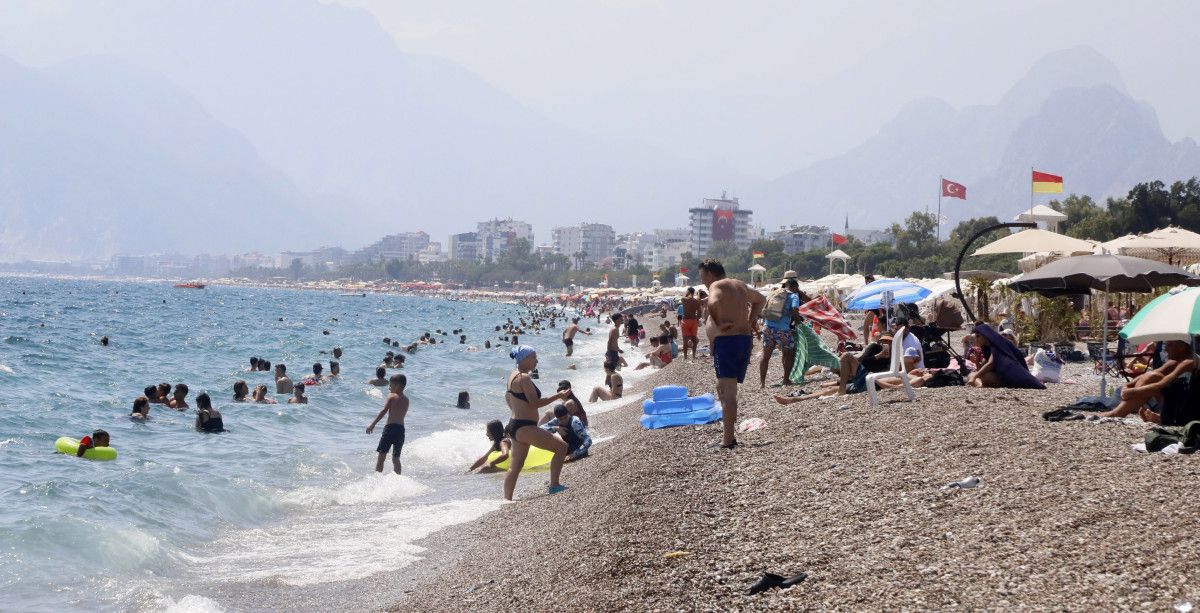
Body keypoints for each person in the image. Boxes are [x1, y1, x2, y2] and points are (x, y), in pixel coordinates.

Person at [700, 259, 765, 449]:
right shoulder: (740, 285)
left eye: (703, 277)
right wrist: (751, 319)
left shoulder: (716, 285)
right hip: (743, 340)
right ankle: (729, 436)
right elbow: (761, 299)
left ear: (710, 274)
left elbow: (712, 302)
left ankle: (728, 440)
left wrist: (719, 323)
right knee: (727, 391)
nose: (703, 281)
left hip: (728, 342)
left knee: (727, 392)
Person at [503, 346, 570, 500]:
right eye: (534, 357)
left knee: (515, 467)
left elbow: (508, 397)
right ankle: (554, 485)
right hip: (525, 426)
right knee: (561, 447)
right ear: (525, 358)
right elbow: (535, 403)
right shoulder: (524, 378)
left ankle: (506, 500)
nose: (537, 360)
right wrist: (558, 395)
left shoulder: (513, 375)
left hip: (515, 425)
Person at [1100, 339, 1195, 419]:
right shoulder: (1174, 362)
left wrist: (1131, 392)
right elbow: (1150, 374)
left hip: (1188, 406)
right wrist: (1127, 386)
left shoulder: (1189, 362)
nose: (1165, 349)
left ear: (1181, 348)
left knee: (1154, 378)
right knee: (1153, 376)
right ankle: (1160, 415)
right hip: (1174, 402)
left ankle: (1118, 413)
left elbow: (1160, 385)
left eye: (1170, 345)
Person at [966, 323, 1044, 389]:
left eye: (978, 336)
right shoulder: (987, 348)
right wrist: (976, 362)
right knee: (971, 374)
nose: (976, 339)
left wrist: (975, 377)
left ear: (985, 336)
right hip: (999, 375)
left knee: (986, 376)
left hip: (1011, 376)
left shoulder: (998, 344)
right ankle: (981, 385)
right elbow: (982, 369)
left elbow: (990, 364)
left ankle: (982, 385)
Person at [759, 276, 802, 388]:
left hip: (767, 327)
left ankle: (762, 383)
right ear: (794, 287)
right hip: (782, 330)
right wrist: (798, 323)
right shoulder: (794, 296)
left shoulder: (774, 293)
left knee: (765, 355)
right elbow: (795, 309)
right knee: (790, 352)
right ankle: (786, 380)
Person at [366, 374, 410, 474]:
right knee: (396, 458)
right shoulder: (407, 400)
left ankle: (377, 478)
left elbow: (384, 411)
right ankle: (398, 478)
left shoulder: (391, 396)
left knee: (382, 456)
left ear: (397, 386)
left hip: (390, 429)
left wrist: (372, 424)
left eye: (391, 385)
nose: (389, 388)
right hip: (400, 430)